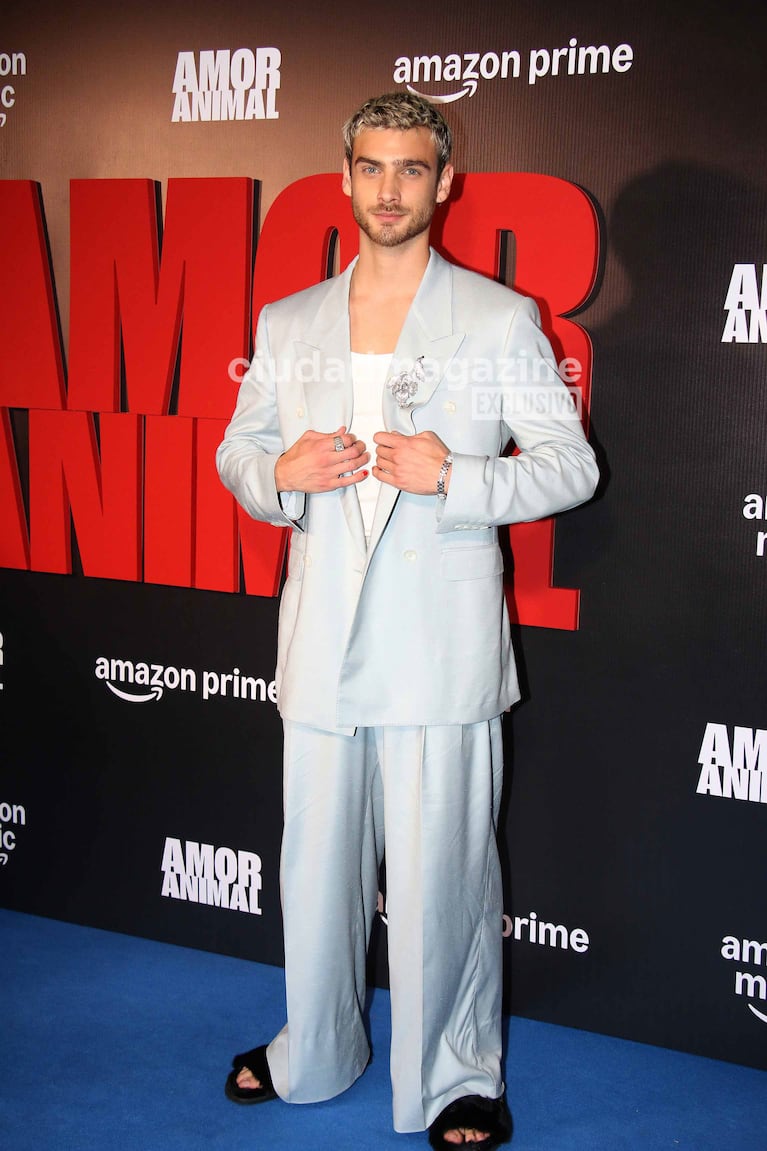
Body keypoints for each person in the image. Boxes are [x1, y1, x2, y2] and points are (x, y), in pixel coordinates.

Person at [216, 91, 599, 1150]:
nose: (389, 189)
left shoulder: (493, 318)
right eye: (370, 168)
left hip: (439, 653)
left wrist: (461, 477)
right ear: (343, 178)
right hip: (324, 646)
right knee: (317, 872)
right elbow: (238, 454)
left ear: (444, 182)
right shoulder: (286, 323)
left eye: (410, 170)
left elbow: (571, 466)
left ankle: (455, 1076)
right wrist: (278, 477)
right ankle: (316, 1046)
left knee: (445, 880)